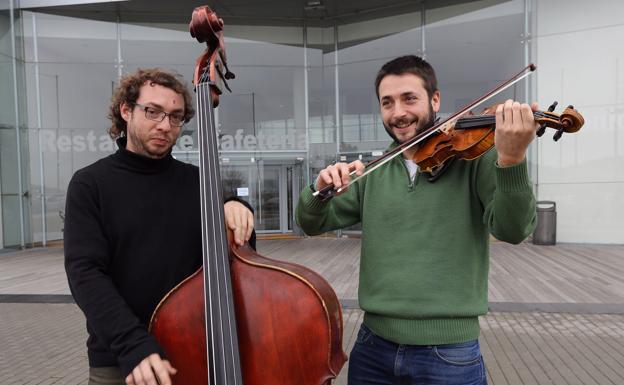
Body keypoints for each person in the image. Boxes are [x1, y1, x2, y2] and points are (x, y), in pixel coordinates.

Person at [296, 55, 537, 385]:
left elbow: (513, 229)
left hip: (449, 354)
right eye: (387, 102)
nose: (398, 113)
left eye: (409, 98)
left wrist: (511, 158)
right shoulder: (374, 171)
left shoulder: (475, 158)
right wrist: (318, 188)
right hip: (372, 347)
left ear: (435, 99)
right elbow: (310, 221)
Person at [64, 68, 256, 385]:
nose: (165, 125)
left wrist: (236, 207)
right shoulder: (90, 184)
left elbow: (239, 262)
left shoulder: (200, 182)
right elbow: (85, 274)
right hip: (123, 359)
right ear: (126, 110)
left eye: (175, 116)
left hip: (199, 352)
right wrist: (133, 345)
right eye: (153, 112)